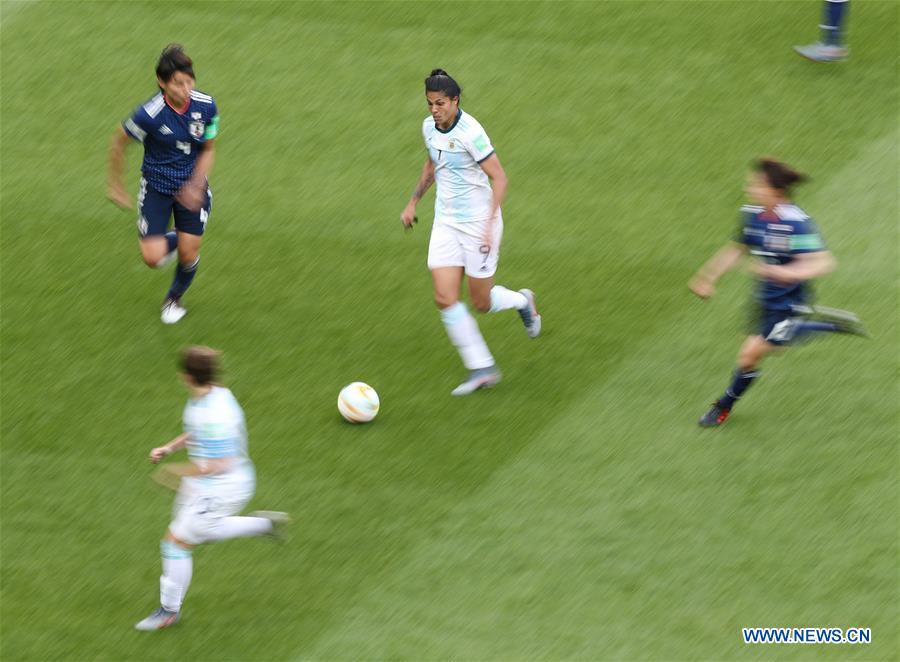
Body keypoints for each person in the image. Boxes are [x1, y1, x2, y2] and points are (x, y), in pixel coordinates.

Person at [689, 158, 866, 427]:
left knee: (750, 354)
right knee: (772, 348)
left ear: (775, 191)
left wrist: (786, 273)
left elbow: (824, 262)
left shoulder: (796, 223)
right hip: (765, 297)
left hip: (788, 302)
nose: (749, 189)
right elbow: (737, 248)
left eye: (756, 184)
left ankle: (722, 407)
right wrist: (707, 278)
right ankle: (823, 324)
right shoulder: (752, 214)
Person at [400, 69, 541, 396]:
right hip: (446, 223)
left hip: (479, 225)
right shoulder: (429, 128)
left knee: (481, 302)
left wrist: (490, 226)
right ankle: (482, 367)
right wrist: (412, 203)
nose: (434, 110)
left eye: (439, 103)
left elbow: (500, 178)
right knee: (444, 297)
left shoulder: (471, 132)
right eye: (429, 104)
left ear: (454, 101)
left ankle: (523, 301)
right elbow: (432, 163)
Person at [135, 346, 288, 631]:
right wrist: (169, 448)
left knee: (175, 544)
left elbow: (220, 463)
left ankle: (169, 611)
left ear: (186, 376)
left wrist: (176, 472)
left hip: (222, 486)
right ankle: (264, 524)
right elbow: (198, 433)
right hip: (211, 482)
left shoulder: (216, 415)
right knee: (199, 533)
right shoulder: (213, 396)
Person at [107, 44, 218, 324]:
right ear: (162, 83)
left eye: (189, 81)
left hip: (193, 188)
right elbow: (118, 142)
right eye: (178, 83)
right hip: (156, 187)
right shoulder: (149, 115)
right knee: (152, 259)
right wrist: (116, 185)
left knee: (189, 253)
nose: (185, 89)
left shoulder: (206, 106)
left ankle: (174, 298)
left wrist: (195, 185)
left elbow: (208, 148)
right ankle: (178, 239)